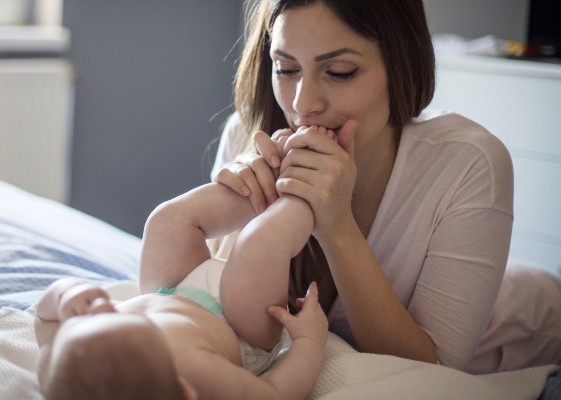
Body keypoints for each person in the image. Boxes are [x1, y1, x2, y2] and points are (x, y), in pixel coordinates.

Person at [194, 0, 554, 373]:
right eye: (286, 69)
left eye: (339, 71)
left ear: (401, 66)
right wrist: (240, 211)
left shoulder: (469, 163)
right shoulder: (248, 133)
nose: (303, 104)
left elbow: (433, 370)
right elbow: (202, 300)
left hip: (529, 326)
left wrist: (337, 226)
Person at [35, 179, 330, 400]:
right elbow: (275, 394)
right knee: (259, 245)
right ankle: (305, 190)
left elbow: (45, 321)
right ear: (185, 392)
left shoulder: (63, 373)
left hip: (168, 292)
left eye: (87, 319)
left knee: (166, 221)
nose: (101, 305)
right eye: (113, 315)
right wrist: (308, 341)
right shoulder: (196, 372)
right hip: (236, 325)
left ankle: (263, 183)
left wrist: (64, 296)